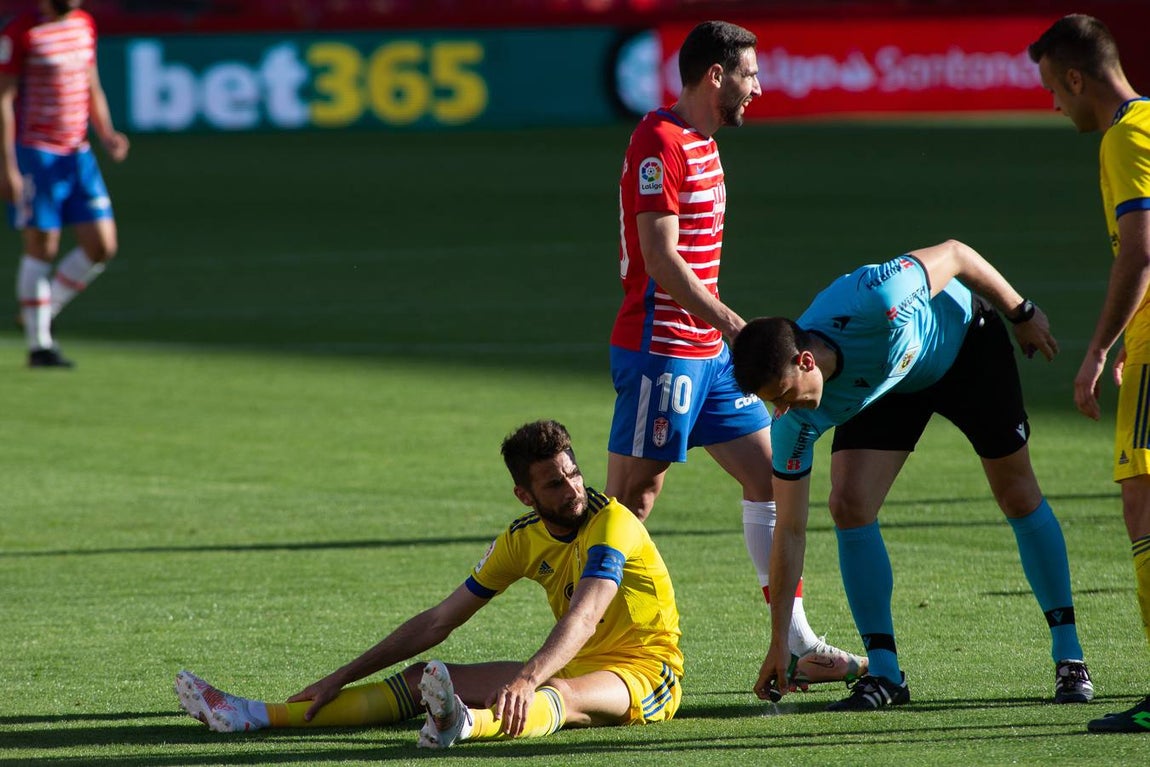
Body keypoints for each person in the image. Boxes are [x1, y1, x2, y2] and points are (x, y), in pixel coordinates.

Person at [730, 239, 1094, 710]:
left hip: (964, 346)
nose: (782, 409)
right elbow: (791, 530)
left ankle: (1070, 656)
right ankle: (885, 674)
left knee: (1018, 495)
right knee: (849, 505)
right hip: (891, 384)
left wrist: (1021, 313)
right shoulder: (793, 421)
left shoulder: (877, 300)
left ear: (806, 361)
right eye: (772, 402)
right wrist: (781, 641)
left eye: (783, 394)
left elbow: (958, 254)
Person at [608, 19, 864, 687]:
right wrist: (733, 325)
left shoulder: (706, 144)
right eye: (750, 74)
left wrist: (722, 334)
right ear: (715, 75)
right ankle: (594, 640)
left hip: (710, 356)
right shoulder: (659, 141)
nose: (759, 87)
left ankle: (796, 641)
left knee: (769, 478)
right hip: (663, 349)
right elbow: (661, 260)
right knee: (631, 500)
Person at [175, 419, 683, 748]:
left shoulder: (613, 523)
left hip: (645, 672)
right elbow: (440, 621)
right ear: (525, 495)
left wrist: (527, 679)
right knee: (422, 678)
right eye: (555, 483)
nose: (573, 489)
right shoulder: (522, 539)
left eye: (573, 474)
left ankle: (463, 724)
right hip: (573, 662)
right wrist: (341, 676)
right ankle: (251, 714)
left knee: (560, 693)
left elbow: (585, 615)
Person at [1028, 14, 1150, 733]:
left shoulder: (1124, 136)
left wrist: (1101, 347)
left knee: (1142, 504)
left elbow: (1140, 250)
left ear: (1077, 78)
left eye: (1053, 88)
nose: (1053, 104)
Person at [0, 0, 128, 368]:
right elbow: (3, 100)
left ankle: (43, 309)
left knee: (101, 246)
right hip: (35, 152)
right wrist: (7, 167)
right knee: (42, 244)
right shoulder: (21, 32)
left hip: (77, 153)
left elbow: (91, 83)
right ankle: (39, 345)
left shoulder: (84, 24)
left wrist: (106, 133)